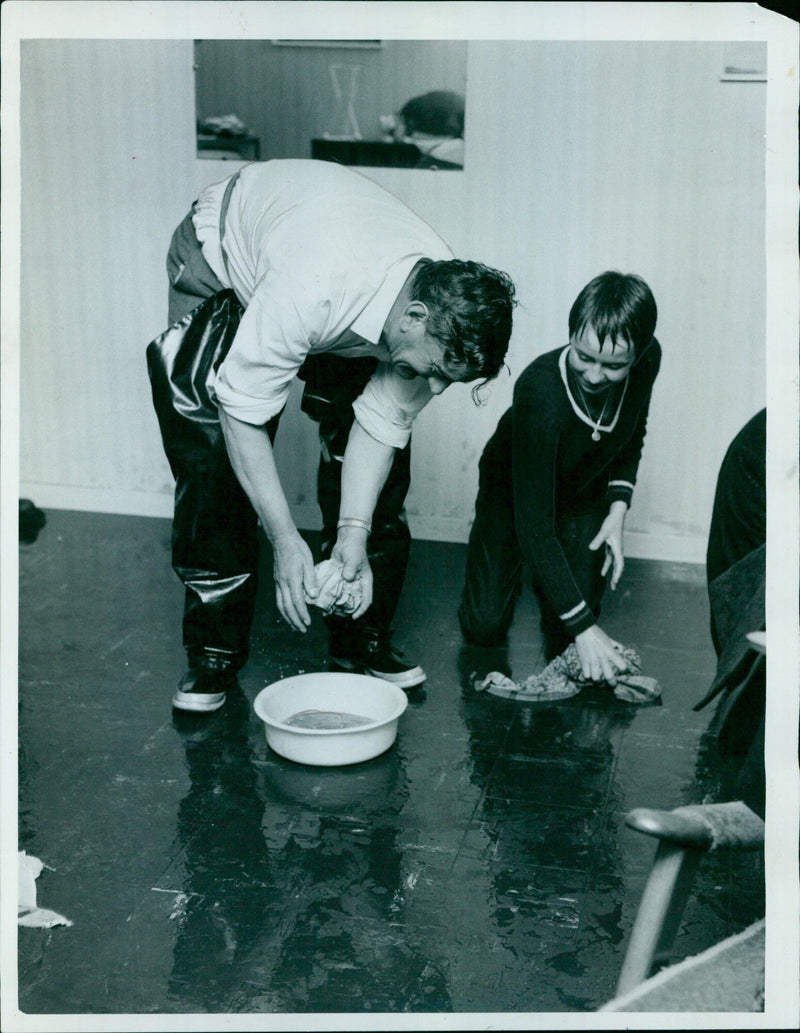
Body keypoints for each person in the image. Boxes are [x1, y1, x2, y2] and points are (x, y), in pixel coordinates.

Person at [147, 159, 515, 714]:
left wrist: (353, 532)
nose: (436, 389)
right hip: (222, 262)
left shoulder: (436, 310)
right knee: (214, 465)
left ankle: (359, 636)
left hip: (337, 289)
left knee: (382, 474)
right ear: (413, 317)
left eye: (450, 380)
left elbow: (379, 425)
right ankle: (214, 654)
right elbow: (241, 413)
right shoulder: (313, 285)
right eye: (437, 370)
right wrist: (284, 540)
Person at [458, 271, 661, 685]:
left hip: (583, 486)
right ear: (571, 335)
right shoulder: (539, 392)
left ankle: (554, 583)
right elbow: (534, 524)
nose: (594, 374)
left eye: (613, 365)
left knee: (567, 623)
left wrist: (617, 510)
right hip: (512, 490)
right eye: (583, 356)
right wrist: (585, 629)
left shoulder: (649, 358)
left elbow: (631, 429)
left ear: (637, 356)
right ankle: (510, 568)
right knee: (484, 628)